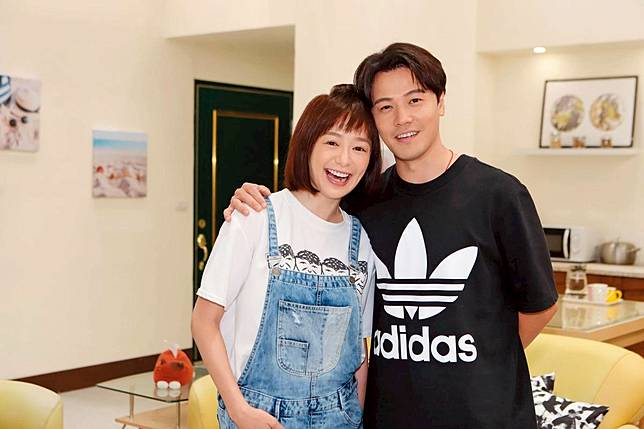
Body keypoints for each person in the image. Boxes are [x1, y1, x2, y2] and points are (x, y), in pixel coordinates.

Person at [223, 43, 559, 428]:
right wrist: (249, 203)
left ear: (441, 102)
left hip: (484, 418)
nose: (402, 118)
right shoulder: (363, 202)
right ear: (374, 119)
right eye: (385, 107)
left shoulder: (498, 195)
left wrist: (483, 360)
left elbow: (540, 306)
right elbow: (306, 221)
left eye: (415, 100)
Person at [192, 84, 382, 429]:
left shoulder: (360, 241)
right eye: (332, 142)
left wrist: (357, 415)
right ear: (307, 144)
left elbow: (359, 351)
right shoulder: (254, 216)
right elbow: (204, 322)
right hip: (258, 416)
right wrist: (238, 409)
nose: (344, 159)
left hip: (338, 416)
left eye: (359, 148)